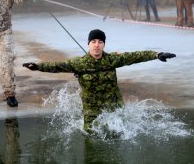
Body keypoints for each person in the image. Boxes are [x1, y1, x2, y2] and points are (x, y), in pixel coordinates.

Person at [22, 29, 176, 134]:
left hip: (114, 105)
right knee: (91, 135)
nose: (96, 44)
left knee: (119, 133)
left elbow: (135, 56)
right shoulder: (79, 63)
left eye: (100, 42)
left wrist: (157, 54)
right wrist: (37, 67)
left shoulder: (112, 59)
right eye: (93, 41)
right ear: (88, 44)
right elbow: (57, 66)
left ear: (104, 44)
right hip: (91, 109)